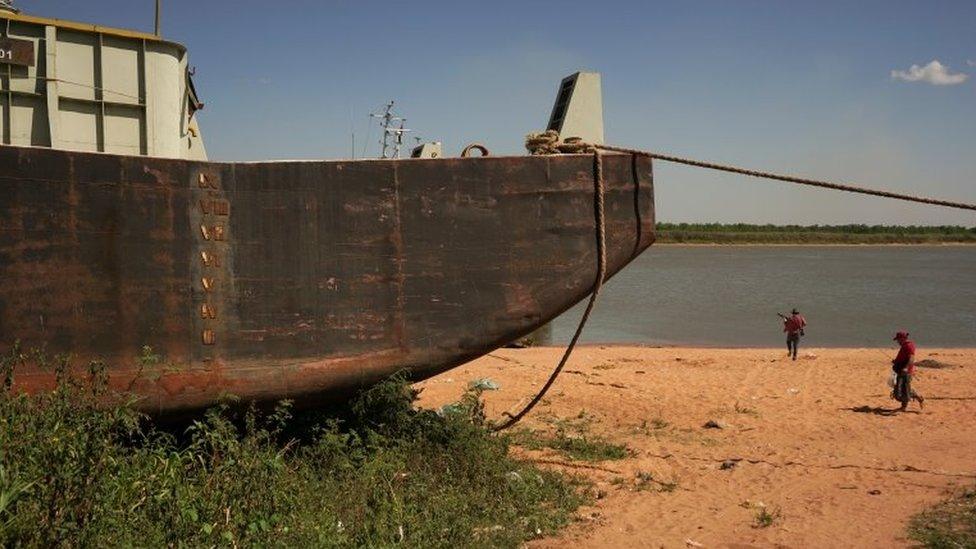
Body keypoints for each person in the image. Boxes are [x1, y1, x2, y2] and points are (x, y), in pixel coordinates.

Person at [891, 331, 924, 411]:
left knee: (900, 392)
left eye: (898, 340)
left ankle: (915, 396)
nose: (897, 342)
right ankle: (904, 406)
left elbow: (911, 358)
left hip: (905, 372)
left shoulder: (909, 346)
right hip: (901, 371)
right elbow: (904, 358)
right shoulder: (904, 346)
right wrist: (896, 361)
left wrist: (906, 368)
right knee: (902, 390)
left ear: (902, 338)